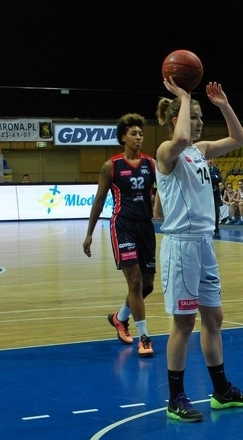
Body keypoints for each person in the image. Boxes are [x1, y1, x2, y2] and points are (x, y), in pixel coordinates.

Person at [155, 78, 243, 422]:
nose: (199, 123)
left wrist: (223, 105)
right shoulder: (167, 152)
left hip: (204, 243)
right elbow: (181, 138)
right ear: (177, 119)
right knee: (184, 323)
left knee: (214, 318)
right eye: (194, 117)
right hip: (181, 246)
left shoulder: (200, 151)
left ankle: (221, 390)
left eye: (200, 117)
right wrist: (184, 96)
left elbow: (239, 139)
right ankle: (175, 398)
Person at [82, 113, 157, 358]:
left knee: (147, 286)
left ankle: (120, 317)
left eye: (141, 133)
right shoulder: (111, 166)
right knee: (134, 283)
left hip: (145, 227)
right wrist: (89, 233)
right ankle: (144, 338)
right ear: (123, 137)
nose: (138, 137)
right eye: (133, 133)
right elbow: (99, 200)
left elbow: (164, 189)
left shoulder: (151, 164)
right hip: (122, 225)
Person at [208, 158, 223, 239]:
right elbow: (207, 179)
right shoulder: (204, 169)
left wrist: (212, 177)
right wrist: (215, 177)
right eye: (208, 159)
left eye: (211, 159)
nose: (210, 161)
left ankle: (216, 230)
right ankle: (207, 230)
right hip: (206, 195)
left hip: (215, 194)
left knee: (216, 213)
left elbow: (220, 179)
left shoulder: (216, 169)